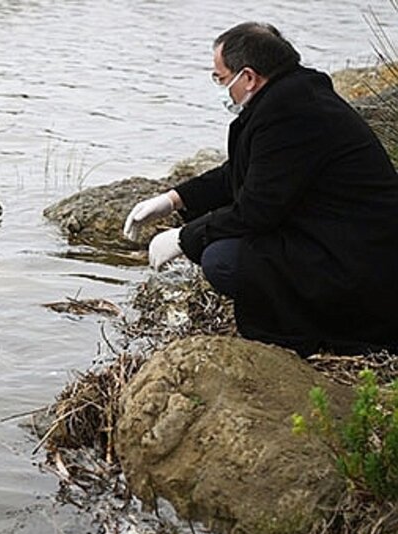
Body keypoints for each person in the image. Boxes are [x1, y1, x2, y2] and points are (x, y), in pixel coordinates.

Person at [123, 22, 398, 357]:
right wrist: (172, 199)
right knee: (228, 248)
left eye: (221, 78)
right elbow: (238, 173)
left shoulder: (291, 114)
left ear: (248, 77)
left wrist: (184, 237)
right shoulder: (292, 95)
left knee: (223, 259)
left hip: (357, 262)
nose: (221, 87)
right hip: (343, 240)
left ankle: (307, 333)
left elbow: (256, 211)